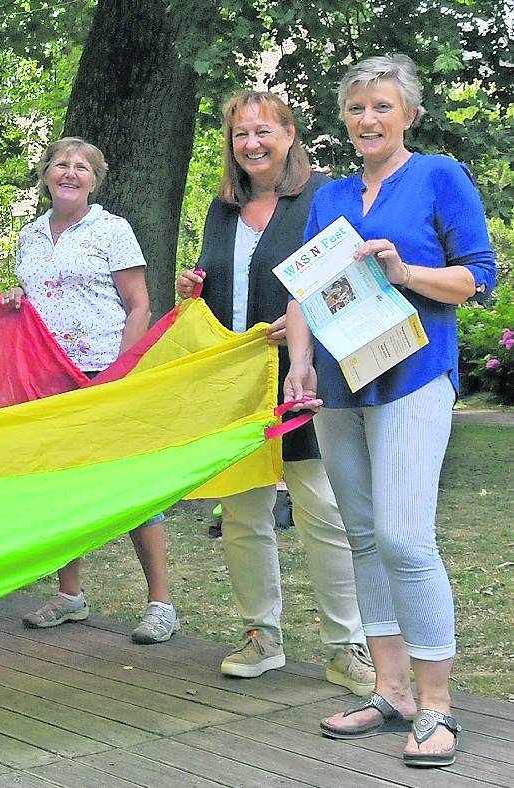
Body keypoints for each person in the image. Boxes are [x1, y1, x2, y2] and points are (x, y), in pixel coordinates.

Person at [290, 55, 495, 768]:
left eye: (380, 106)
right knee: (364, 538)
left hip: (412, 376)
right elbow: (304, 287)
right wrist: (297, 362)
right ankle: (391, 692)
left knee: (406, 538)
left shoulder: (439, 176)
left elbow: (479, 277)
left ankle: (436, 707)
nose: (366, 120)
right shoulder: (330, 194)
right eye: (354, 109)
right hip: (338, 384)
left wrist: (405, 273)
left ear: (407, 113)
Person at [175, 91, 376, 695]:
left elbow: (350, 284)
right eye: (240, 134)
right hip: (236, 383)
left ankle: (348, 647)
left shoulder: (326, 198)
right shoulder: (222, 209)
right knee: (242, 516)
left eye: (263, 131)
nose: (252, 144)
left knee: (324, 513)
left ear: (290, 135)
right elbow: (224, 284)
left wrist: (303, 329)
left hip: (309, 381)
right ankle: (261, 635)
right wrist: (195, 289)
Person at [4, 137, 176, 645]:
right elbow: (32, 297)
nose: (70, 173)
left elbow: (139, 305)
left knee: (133, 487)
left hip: (104, 373)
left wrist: (123, 372)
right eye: (61, 164)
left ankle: (161, 604)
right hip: (46, 377)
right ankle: (70, 594)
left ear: (95, 180)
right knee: (60, 486)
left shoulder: (113, 230)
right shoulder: (30, 235)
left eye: (82, 167)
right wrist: (15, 296)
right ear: (46, 175)